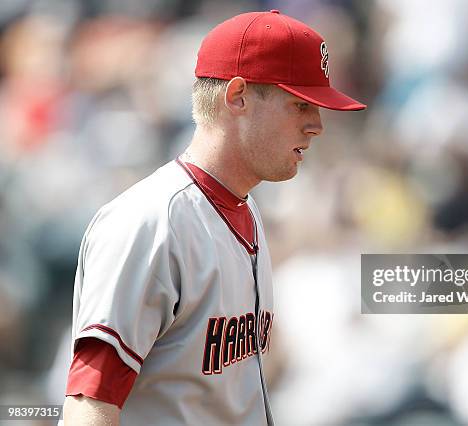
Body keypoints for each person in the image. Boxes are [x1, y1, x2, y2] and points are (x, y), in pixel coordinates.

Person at [62, 9, 365, 426]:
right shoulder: (150, 223)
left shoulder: (247, 209)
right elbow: (88, 405)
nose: (316, 125)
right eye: (299, 105)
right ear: (237, 95)